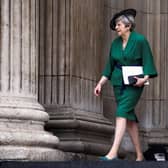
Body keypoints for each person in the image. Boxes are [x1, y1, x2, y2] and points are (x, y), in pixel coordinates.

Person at [94, 9, 158, 161]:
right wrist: (100, 84)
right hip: (118, 83)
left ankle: (113, 152)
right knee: (129, 119)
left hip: (135, 83)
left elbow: (148, 61)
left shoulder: (140, 40)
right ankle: (140, 154)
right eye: (116, 25)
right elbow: (109, 67)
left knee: (122, 112)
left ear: (128, 26)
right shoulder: (115, 44)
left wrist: (144, 78)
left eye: (119, 25)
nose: (116, 28)